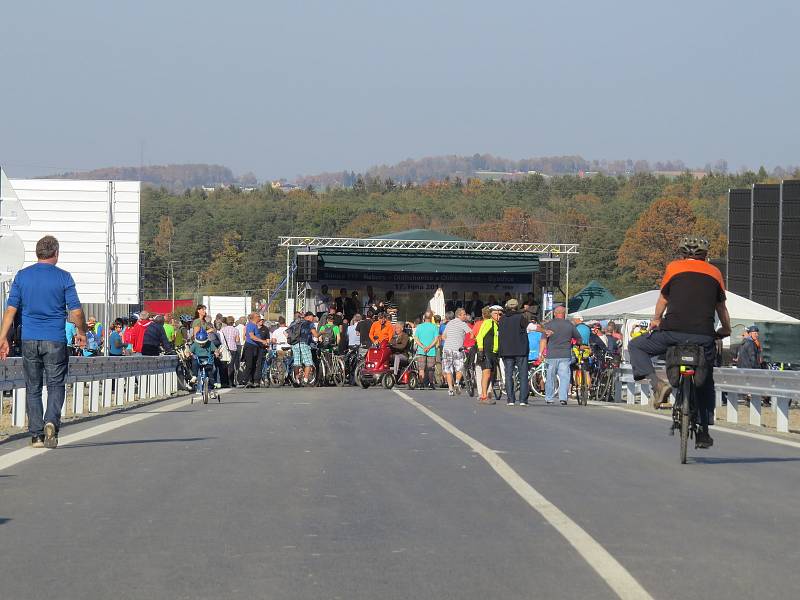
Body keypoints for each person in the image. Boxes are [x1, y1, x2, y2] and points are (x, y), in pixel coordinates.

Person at [628, 236, 731, 449]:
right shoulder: (715, 272)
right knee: (707, 379)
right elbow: (721, 308)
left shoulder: (674, 268)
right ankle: (704, 430)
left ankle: (657, 385)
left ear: (683, 254)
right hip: (703, 336)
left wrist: (656, 320)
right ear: (705, 256)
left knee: (636, 346)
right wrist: (725, 330)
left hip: (672, 333)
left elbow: (663, 299)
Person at [0, 235, 86, 448]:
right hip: (55, 339)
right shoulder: (64, 278)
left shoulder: (22, 276)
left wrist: (2, 337)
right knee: (56, 385)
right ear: (56, 253)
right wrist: (81, 331)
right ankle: (51, 422)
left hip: (29, 339)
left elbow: (10, 311)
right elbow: (76, 311)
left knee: (33, 386)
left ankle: (37, 435)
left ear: (37, 253)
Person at [543, 305, 582, 405]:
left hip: (551, 354)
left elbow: (543, 339)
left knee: (550, 377)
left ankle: (549, 398)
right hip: (565, 354)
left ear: (555, 314)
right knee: (564, 376)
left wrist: (541, 352)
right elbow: (578, 337)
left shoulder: (549, 325)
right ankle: (563, 398)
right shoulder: (570, 325)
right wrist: (577, 343)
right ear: (564, 314)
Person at [498, 299, 530, 406]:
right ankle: (522, 400)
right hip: (520, 350)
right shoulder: (521, 317)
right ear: (517, 306)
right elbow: (530, 327)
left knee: (508, 374)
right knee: (523, 375)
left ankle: (510, 399)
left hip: (507, 350)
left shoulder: (502, 319)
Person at [441, 308, 472, 396]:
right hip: (457, 349)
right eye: (464, 314)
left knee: (448, 369)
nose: (465, 316)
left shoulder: (450, 323)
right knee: (459, 368)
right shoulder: (463, 324)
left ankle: (450, 389)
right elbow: (471, 333)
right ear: (459, 315)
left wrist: (450, 339)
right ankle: (457, 383)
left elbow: (443, 336)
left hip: (447, 348)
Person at [476, 305, 501, 404]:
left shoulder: (496, 324)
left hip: (493, 352)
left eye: (500, 314)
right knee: (486, 373)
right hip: (486, 351)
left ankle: (485, 394)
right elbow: (479, 337)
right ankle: (483, 396)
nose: (498, 316)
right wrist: (481, 350)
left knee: (491, 374)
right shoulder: (488, 323)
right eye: (496, 313)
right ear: (491, 314)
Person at [241, 312, 268, 387]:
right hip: (250, 346)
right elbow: (252, 336)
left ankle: (252, 381)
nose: (260, 318)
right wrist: (262, 341)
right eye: (258, 316)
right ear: (254, 318)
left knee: (254, 364)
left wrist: (263, 344)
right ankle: (246, 380)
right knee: (249, 364)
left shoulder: (255, 325)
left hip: (256, 347)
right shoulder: (250, 325)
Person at [413, 314, 439, 390]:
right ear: (431, 319)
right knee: (430, 368)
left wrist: (423, 346)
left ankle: (421, 384)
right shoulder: (434, 327)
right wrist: (429, 347)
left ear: (423, 318)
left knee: (421, 368)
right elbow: (436, 339)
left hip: (421, 350)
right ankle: (431, 384)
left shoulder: (419, 327)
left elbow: (416, 339)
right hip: (431, 351)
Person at [292, 312, 318, 385]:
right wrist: (321, 333)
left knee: (296, 363)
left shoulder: (295, 322)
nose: (313, 318)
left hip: (295, 344)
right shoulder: (310, 323)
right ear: (309, 317)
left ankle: (297, 380)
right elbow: (315, 335)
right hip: (304, 344)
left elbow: (286, 333)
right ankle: (305, 379)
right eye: (313, 317)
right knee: (308, 362)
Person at [220, 316, 241, 387]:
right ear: (233, 322)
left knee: (224, 365)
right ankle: (231, 382)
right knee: (231, 366)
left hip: (224, 349)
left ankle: (224, 382)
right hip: (232, 348)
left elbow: (221, 339)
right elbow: (237, 340)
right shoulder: (236, 330)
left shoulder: (222, 329)